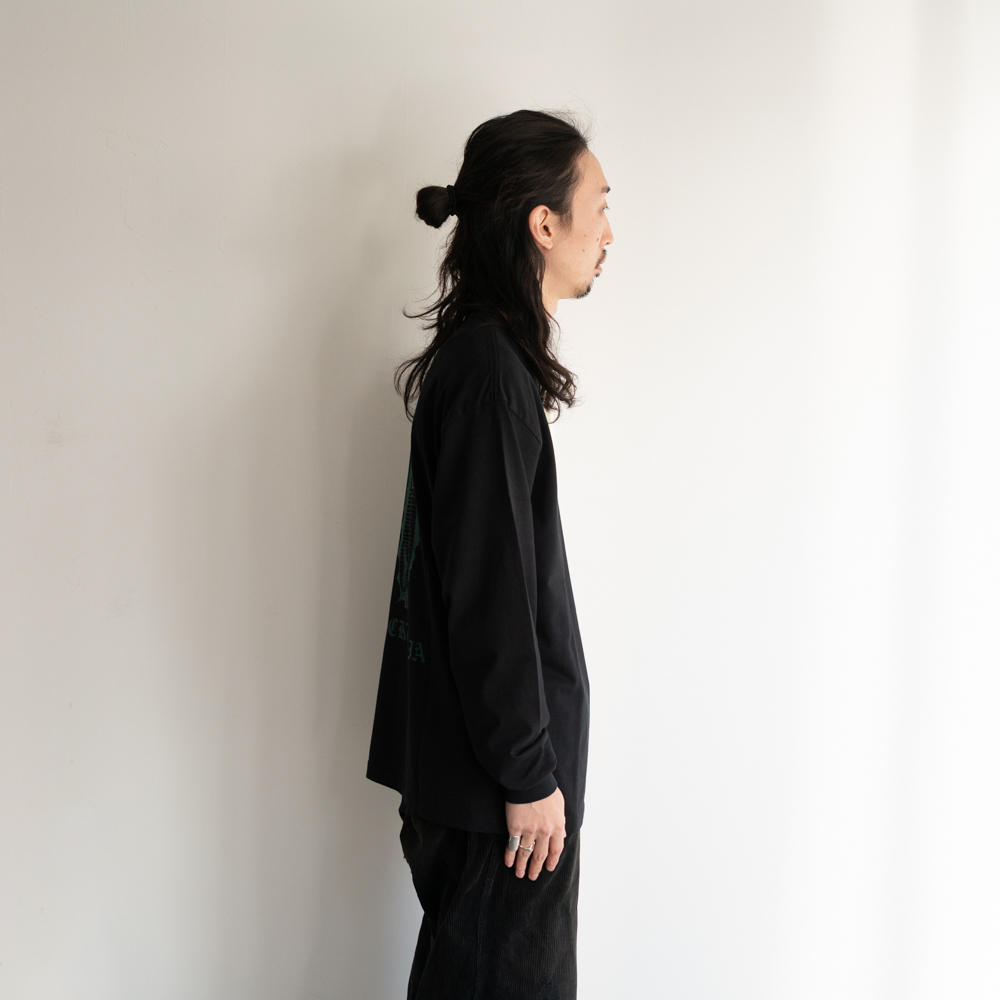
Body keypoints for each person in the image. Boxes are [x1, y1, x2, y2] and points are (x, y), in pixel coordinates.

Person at [366, 109, 613, 1000]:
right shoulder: (487, 377)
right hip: (500, 802)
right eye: (599, 207)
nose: (608, 233)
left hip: (491, 790)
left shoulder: (488, 366)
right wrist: (529, 774)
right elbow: (490, 602)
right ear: (544, 223)